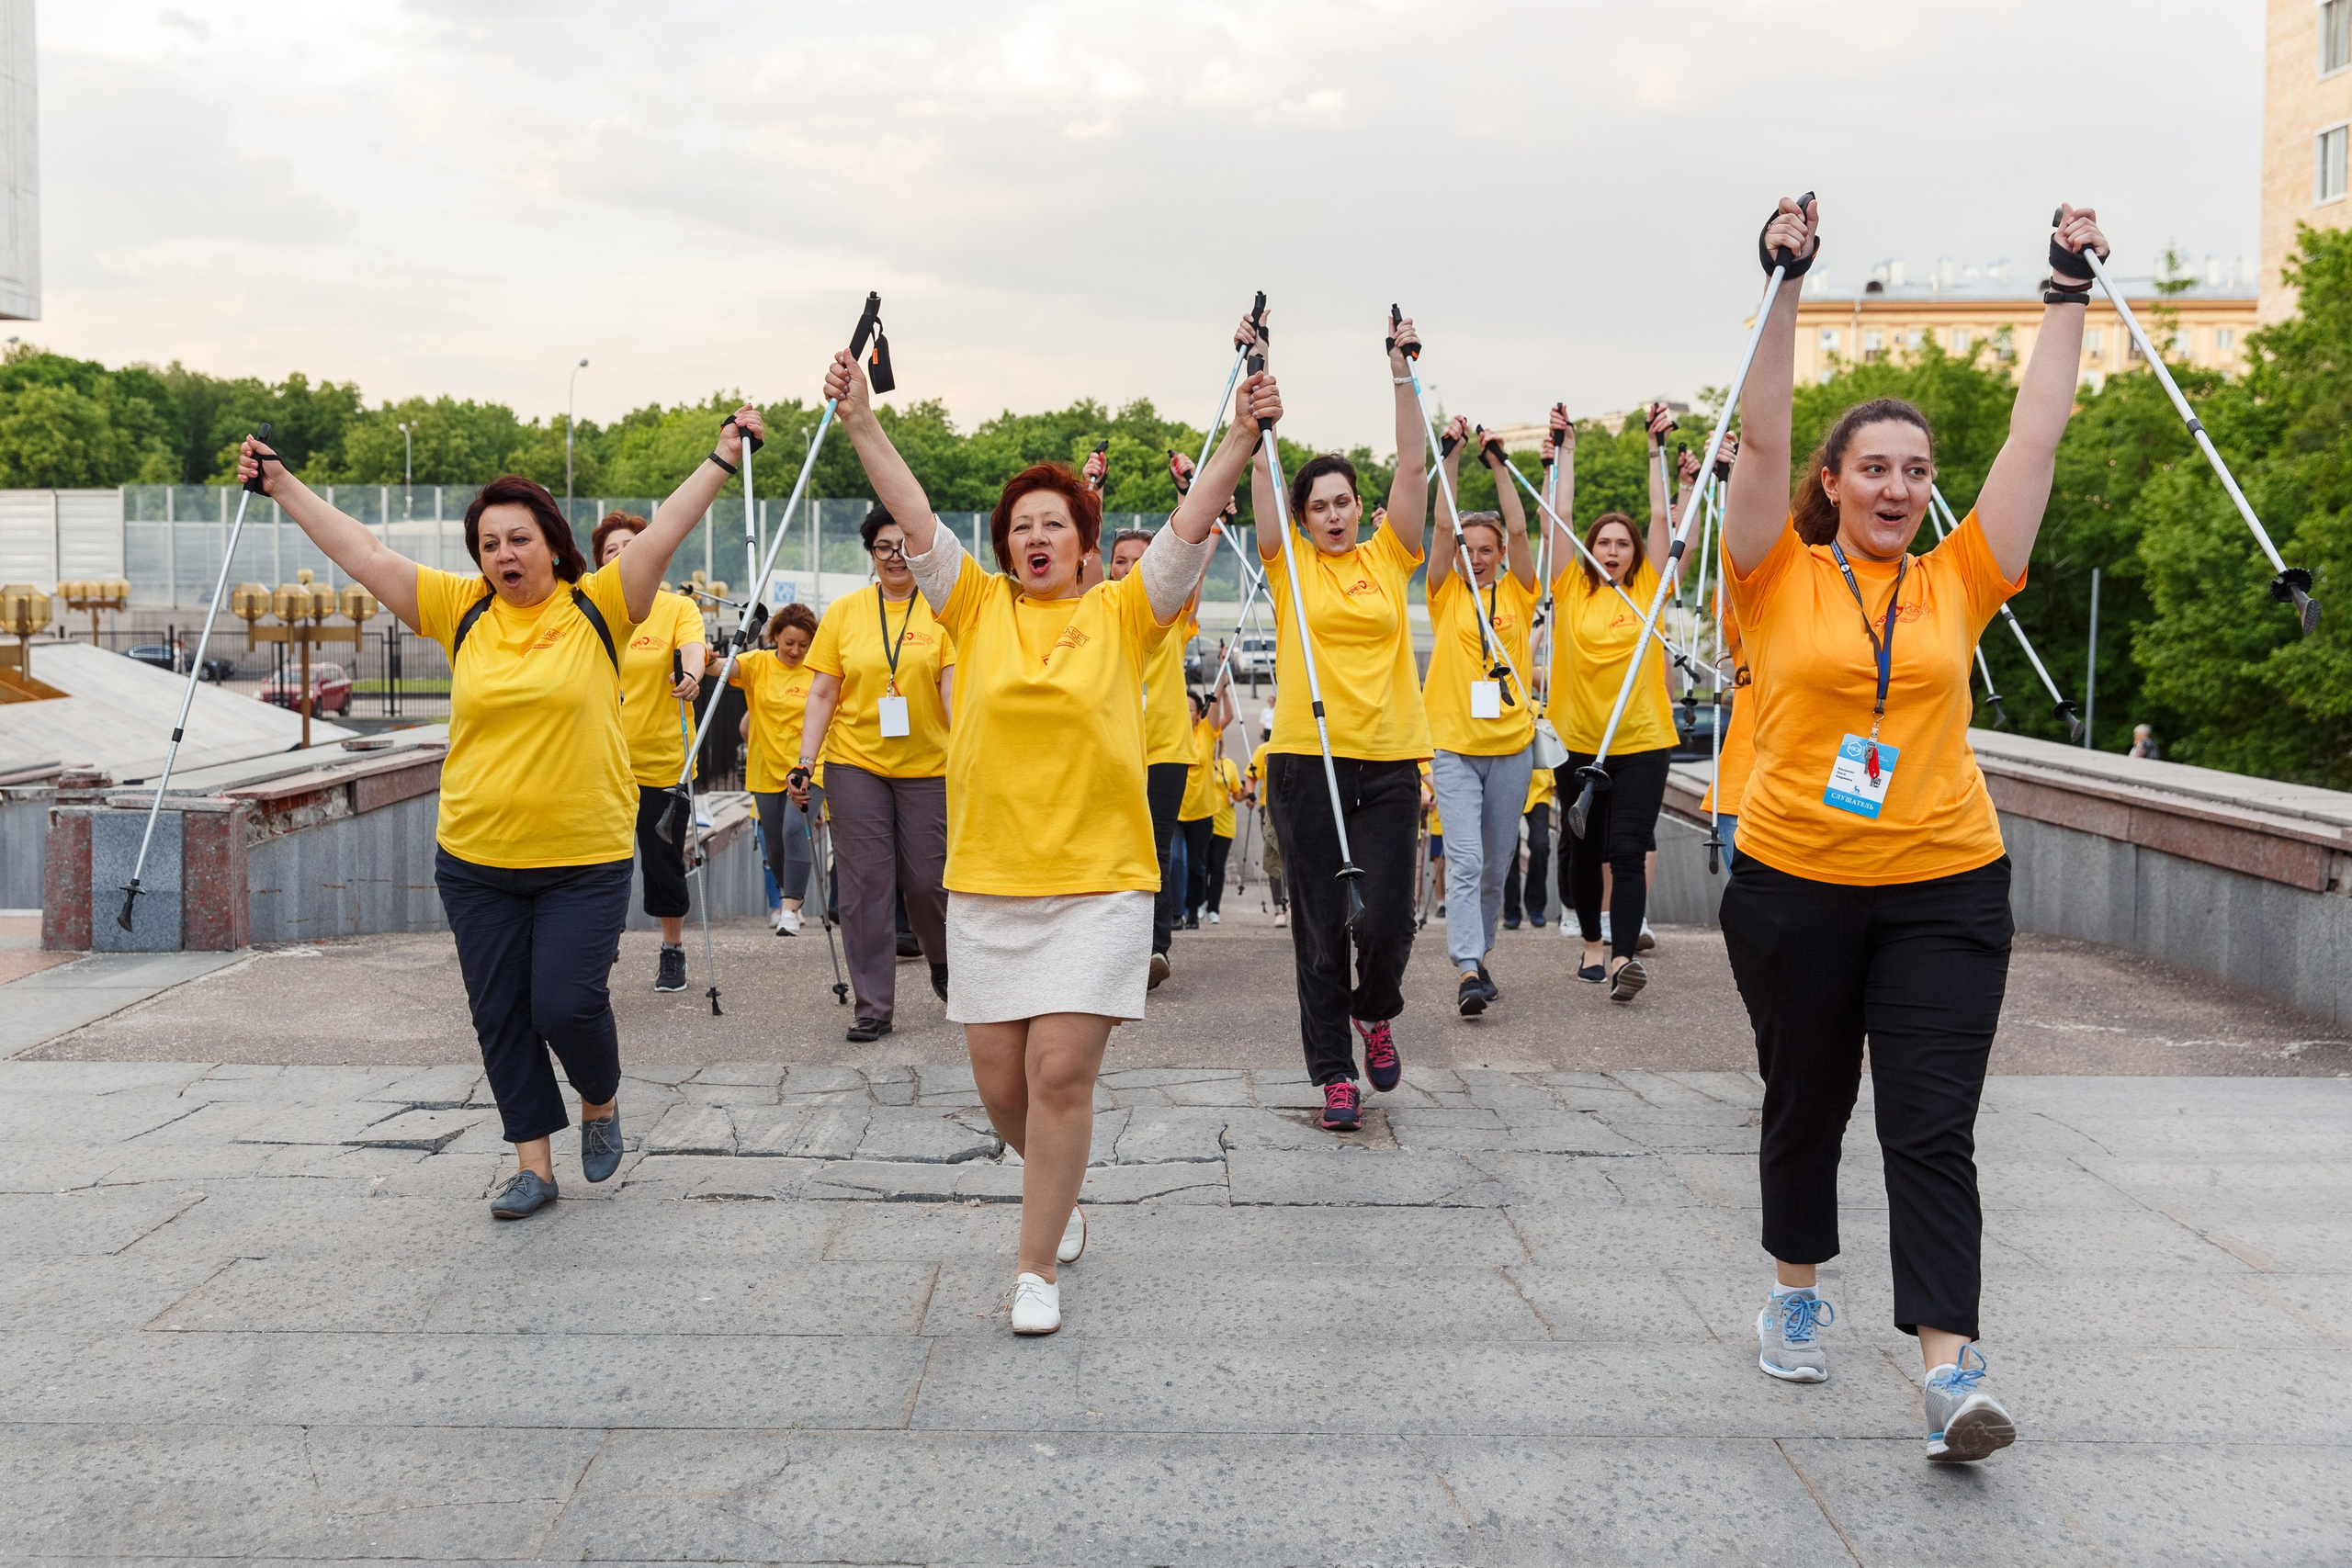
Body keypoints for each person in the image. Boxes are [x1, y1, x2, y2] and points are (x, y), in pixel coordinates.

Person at [1720, 195, 2109, 1463]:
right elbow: (1761, 433)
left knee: (1931, 1122)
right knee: (1807, 1095)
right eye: (1872, 466)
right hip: (1795, 876)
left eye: (1915, 469)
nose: (1896, 485)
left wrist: (2065, 290)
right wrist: (1783, 283)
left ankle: (1950, 1370)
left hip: (1948, 880)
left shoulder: (1959, 575)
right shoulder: (1773, 567)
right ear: (1834, 484)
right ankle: (1796, 1277)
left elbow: (2036, 439)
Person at [822, 339, 1272, 1336]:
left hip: (1101, 881)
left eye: (1054, 525)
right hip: (987, 881)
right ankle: (1055, 1190)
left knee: (1059, 1073)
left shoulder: (1123, 613)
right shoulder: (971, 605)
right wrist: (861, 420)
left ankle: (1035, 1270)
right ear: (1004, 545)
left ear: (1082, 539)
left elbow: (1190, 529)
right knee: (998, 1083)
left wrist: (1238, 437)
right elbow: (911, 514)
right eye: (1020, 526)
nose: (1037, 538)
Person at [238, 408, 764, 1219]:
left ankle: (599, 1094)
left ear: (552, 543)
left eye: (517, 539)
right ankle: (533, 1165)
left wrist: (721, 458)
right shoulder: (461, 608)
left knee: (566, 1003)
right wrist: (280, 483)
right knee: (501, 1014)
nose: (503, 556)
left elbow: (663, 531)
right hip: (476, 858)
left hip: (582, 856)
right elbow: (361, 550)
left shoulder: (600, 603)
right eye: (488, 544)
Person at [1247, 310, 1430, 1133]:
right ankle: (1332, 1072)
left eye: (1343, 502)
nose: (1332, 514)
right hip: (1305, 761)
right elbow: (1259, 479)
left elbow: (1414, 465)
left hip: (1389, 760)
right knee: (1321, 927)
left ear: (1360, 507)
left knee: (1388, 918)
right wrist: (1255, 389)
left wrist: (1401, 372)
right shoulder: (1287, 567)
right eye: (1317, 504)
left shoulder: (1390, 557)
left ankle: (1375, 1008)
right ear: (1302, 514)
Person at [792, 507, 957, 1042]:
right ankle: (873, 1006)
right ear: (871, 553)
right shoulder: (843, 613)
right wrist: (805, 760)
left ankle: (943, 959)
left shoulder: (943, 611)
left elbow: (954, 693)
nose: (896, 558)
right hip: (855, 762)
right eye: (885, 547)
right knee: (864, 886)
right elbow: (822, 691)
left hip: (930, 766)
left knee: (928, 880)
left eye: (906, 547)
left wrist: (974, 752)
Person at [1546, 402, 1680, 1001]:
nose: (1614, 550)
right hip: (1577, 738)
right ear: (1590, 547)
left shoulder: (1649, 588)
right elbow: (1561, 514)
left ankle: (1624, 956)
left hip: (1643, 740)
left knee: (1628, 849)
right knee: (1583, 847)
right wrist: (1565, 449)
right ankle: (1592, 943)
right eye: (1604, 541)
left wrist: (1656, 451)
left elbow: (1660, 513)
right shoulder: (1571, 588)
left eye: (1623, 543)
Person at [1423, 416, 1539, 1017]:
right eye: (1468, 549)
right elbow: (1442, 523)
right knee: (1464, 859)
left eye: (1485, 549)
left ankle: (1480, 955)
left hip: (1511, 746)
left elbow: (1520, 527)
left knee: (1495, 866)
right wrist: (1451, 456)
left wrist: (1498, 465)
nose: (1475, 556)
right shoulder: (1444, 592)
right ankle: (1467, 965)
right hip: (1454, 746)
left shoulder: (1518, 590)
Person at [590, 513, 709, 992]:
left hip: (661, 764)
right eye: (611, 551)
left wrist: (693, 675)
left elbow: (695, 648)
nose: (622, 558)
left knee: (662, 861)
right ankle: (597, 942)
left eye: (632, 548)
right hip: (598, 762)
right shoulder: (589, 605)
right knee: (597, 862)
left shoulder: (676, 609)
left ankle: (672, 950)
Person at [1107, 506, 1208, 986]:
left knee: (1155, 848)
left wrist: (1190, 500)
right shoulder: (1099, 607)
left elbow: (1192, 561)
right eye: (1120, 560)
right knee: (1111, 848)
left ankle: (1153, 948)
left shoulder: (1170, 611)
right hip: (1111, 747)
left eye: (1140, 560)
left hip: (1165, 750)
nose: (1128, 569)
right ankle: (1112, 944)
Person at [732, 602, 823, 933]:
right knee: (774, 844)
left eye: (803, 645)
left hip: (810, 765)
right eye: (789, 643)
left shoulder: (819, 669)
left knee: (793, 828)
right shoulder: (758, 664)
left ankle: (789, 908)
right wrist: (703, 659)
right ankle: (790, 897)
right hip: (766, 766)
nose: (796, 651)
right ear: (775, 638)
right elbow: (722, 669)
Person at [1175, 682, 1236, 928]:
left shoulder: (1207, 732)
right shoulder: (1173, 732)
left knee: (1197, 866)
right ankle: (1174, 913)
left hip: (1201, 811)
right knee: (1176, 861)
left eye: (1191, 708)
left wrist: (1221, 685)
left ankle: (1192, 911)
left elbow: (1218, 706)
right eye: (1183, 708)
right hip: (1176, 811)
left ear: (1198, 713)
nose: (1186, 712)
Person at [1501, 765, 1555, 930]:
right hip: (1508, 785)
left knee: (1540, 844)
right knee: (1508, 848)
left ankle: (1536, 907)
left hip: (1540, 786)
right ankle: (1511, 911)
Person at [1245, 730, 1286, 925]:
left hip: (1295, 806)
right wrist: (1251, 794)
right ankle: (1280, 907)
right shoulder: (1264, 749)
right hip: (1269, 809)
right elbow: (1252, 776)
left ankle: (1295, 905)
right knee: (1274, 855)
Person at [1204, 746, 1243, 922]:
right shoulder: (1202, 762)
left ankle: (1213, 909)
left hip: (1224, 824)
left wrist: (1244, 795)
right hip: (1203, 821)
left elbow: (1236, 794)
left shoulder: (1229, 765)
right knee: (1201, 866)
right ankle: (1200, 902)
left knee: (1218, 866)